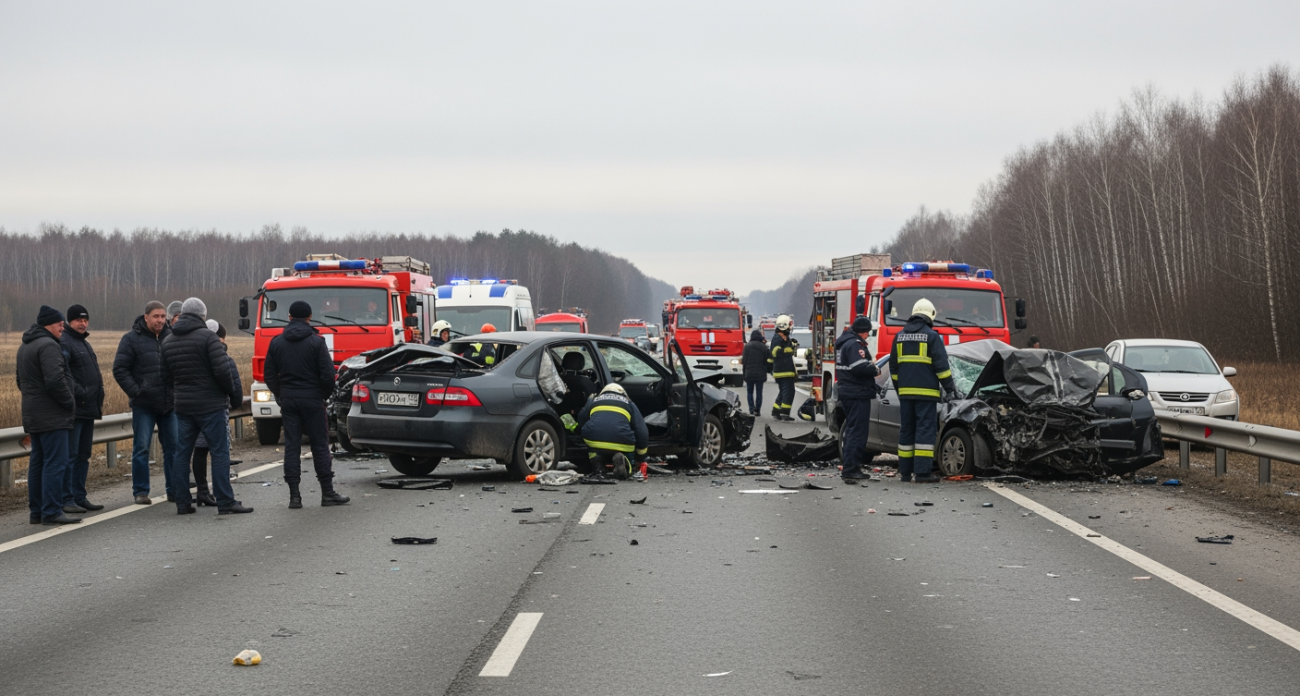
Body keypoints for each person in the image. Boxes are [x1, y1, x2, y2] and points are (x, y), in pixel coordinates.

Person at [161, 298, 250, 515]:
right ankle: (225, 501)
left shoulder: (168, 341)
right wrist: (227, 393)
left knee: (182, 454)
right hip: (211, 405)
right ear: (202, 316)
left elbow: (165, 378)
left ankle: (183, 502)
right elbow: (223, 372)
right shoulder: (209, 338)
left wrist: (180, 394)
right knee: (219, 453)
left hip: (183, 407)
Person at [264, 301, 350, 509]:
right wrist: (323, 395)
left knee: (291, 446)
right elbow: (329, 375)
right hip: (312, 399)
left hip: (289, 399)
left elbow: (269, 375)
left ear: (290, 317)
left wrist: (281, 393)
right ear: (310, 317)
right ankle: (327, 493)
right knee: (320, 445)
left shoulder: (276, 342)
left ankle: (295, 497)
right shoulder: (317, 342)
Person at [17, 306, 80, 525]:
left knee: (38, 462)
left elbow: (20, 382)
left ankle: (37, 511)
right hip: (52, 415)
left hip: (33, 413)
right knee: (56, 462)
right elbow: (55, 380)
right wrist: (69, 402)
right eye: (59, 323)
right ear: (47, 324)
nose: (63, 326)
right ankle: (52, 511)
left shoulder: (25, 346)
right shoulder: (49, 346)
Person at [112, 300, 178, 504]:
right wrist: (136, 391)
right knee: (141, 448)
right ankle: (140, 491)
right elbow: (120, 369)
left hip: (170, 404)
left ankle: (175, 490)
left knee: (174, 449)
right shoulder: (131, 339)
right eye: (156, 316)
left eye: (162, 316)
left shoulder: (172, 337)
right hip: (144, 405)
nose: (160, 320)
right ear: (146, 317)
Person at [888, 298, 955, 484]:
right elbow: (942, 368)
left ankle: (905, 473)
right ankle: (923, 473)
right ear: (930, 315)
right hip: (926, 395)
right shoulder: (932, 337)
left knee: (907, 431)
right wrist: (950, 389)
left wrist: (899, 389)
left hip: (905, 395)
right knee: (925, 432)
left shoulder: (899, 336)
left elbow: (893, 368)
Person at [60, 304, 106, 512]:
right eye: (79, 320)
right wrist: (82, 394)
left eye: (85, 319)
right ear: (70, 321)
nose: (83, 323)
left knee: (82, 455)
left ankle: (80, 496)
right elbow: (64, 375)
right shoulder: (66, 342)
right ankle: (66, 499)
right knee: (70, 456)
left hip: (89, 408)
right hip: (76, 409)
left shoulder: (83, 343)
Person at [188, 320, 229, 507]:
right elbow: (226, 376)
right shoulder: (214, 351)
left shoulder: (192, 346)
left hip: (190, 406)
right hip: (212, 406)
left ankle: (199, 492)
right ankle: (222, 498)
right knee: (218, 452)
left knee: (198, 451)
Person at [835, 316, 880, 482]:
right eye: (868, 332)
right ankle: (851, 468)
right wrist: (874, 370)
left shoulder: (844, 342)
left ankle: (851, 466)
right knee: (857, 432)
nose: (868, 336)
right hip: (856, 393)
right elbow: (859, 367)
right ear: (864, 331)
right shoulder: (855, 344)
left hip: (850, 391)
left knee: (853, 429)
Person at [576, 383, 648, 479]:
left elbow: (581, 419)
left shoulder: (594, 400)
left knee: (593, 440)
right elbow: (641, 430)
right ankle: (626, 464)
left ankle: (597, 464)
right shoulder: (628, 403)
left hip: (594, 441)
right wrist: (640, 457)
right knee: (629, 446)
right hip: (622, 442)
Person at [769, 315, 798, 421]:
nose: (790, 328)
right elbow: (775, 352)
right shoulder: (777, 338)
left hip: (785, 370)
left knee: (783, 391)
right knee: (789, 391)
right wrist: (788, 349)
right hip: (783, 370)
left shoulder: (784, 338)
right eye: (789, 325)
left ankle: (776, 411)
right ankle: (785, 413)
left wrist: (792, 345)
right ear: (784, 326)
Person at [741, 329, 768, 416]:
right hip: (760, 373)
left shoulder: (747, 346)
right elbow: (767, 359)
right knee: (759, 392)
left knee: (750, 392)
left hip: (749, 373)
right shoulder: (763, 347)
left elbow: (744, 361)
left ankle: (751, 409)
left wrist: (744, 373)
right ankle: (758, 410)